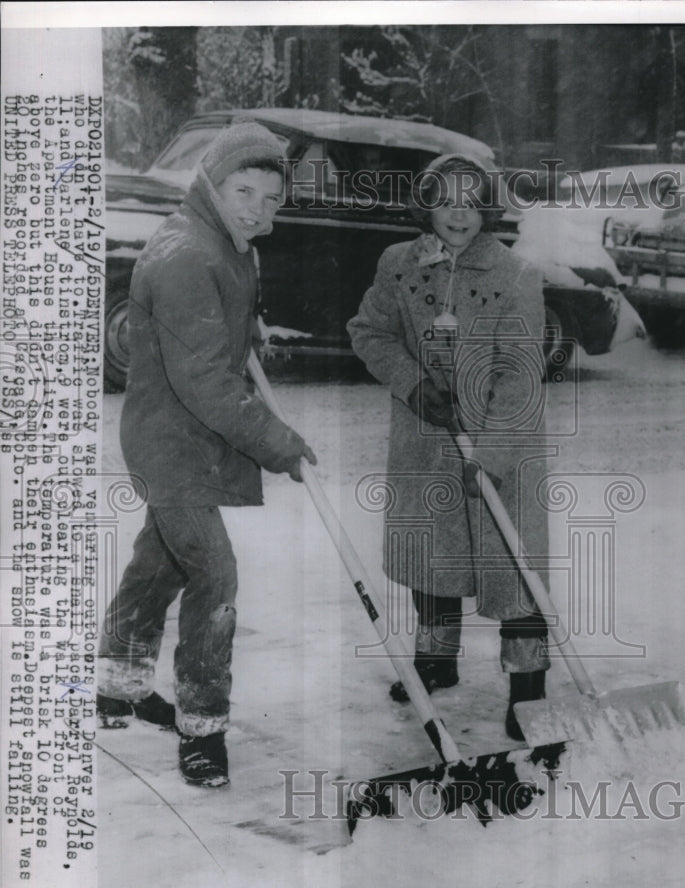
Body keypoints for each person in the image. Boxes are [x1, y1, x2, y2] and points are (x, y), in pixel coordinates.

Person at [97, 122, 317, 787]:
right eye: (242, 190)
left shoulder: (225, 242)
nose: (256, 207)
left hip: (180, 433)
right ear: (210, 182)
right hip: (174, 439)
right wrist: (276, 442)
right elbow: (204, 383)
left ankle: (118, 684)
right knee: (213, 576)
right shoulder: (190, 253)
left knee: (161, 559)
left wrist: (245, 327)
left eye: (271, 197)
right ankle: (202, 730)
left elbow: (211, 333)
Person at [347, 153, 550, 741]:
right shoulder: (398, 264)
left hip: (501, 438)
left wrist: (489, 455)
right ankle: (435, 660)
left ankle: (527, 687)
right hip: (426, 436)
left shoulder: (516, 273)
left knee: (513, 566)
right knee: (431, 555)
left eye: (470, 201)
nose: (458, 214)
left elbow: (521, 373)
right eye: (445, 200)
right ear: (427, 205)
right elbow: (369, 332)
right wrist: (413, 385)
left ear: (487, 207)